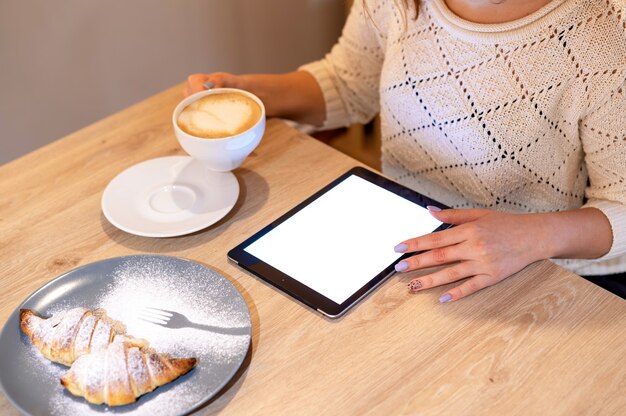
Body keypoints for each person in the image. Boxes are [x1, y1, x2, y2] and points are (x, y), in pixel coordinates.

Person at [185, 0, 626, 301]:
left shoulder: (608, 34)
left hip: (543, 275)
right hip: (402, 242)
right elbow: (349, 81)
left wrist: (532, 237)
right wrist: (247, 92)